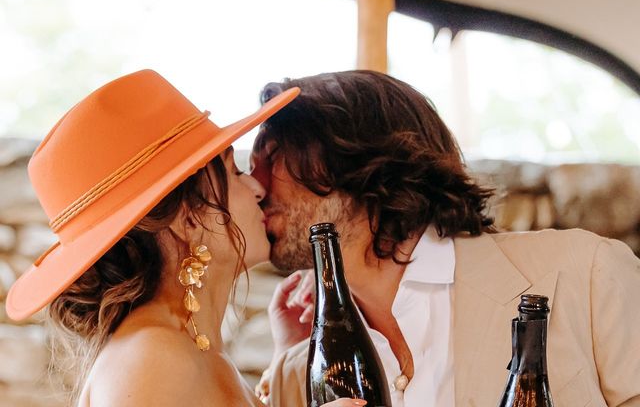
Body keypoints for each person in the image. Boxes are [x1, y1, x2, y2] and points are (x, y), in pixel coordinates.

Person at [250, 70, 640, 407]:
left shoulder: (586, 273)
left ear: (352, 153)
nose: (255, 184)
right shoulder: (294, 370)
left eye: (272, 155)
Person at [5, 70, 366, 407]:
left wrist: (286, 362)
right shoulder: (150, 357)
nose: (257, 186)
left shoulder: (183, 349)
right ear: (189, 217)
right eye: (233, 171)